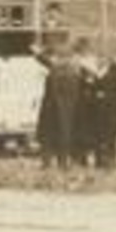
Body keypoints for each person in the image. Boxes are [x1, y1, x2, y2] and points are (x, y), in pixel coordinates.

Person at [34, 41, 81, 170]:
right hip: (54, 106)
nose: (62, 60)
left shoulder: (71, 71)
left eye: (64, 57)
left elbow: (41, 58)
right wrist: (48, 48)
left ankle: (60, 161)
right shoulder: (62, 69)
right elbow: (40, 58)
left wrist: (43, 51)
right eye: (60, 56)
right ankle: (51, 161)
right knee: (50, 135)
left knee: (60, 135)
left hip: (64, 107)